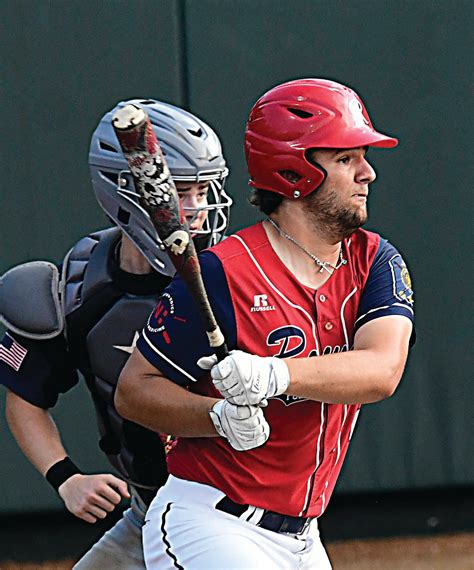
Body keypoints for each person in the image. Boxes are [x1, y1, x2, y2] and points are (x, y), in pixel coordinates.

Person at [115, 78, 415, 569]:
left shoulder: (375, 261)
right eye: (346, 159)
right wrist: (215, 419)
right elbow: (134, 391)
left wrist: (273, 374)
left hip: (304, 537)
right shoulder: (222, 271)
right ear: (294, 171)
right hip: (210, 522)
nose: (368, 173)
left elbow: (382, 371)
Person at [0, 98, 231, 569]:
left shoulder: (236, 278)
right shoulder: (79, 289)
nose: (198, 210)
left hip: (233, 513)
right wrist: (65, 477)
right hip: (148, 511)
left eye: (204, 191)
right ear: (123, 191)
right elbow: (26, 397)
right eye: (180, 191)